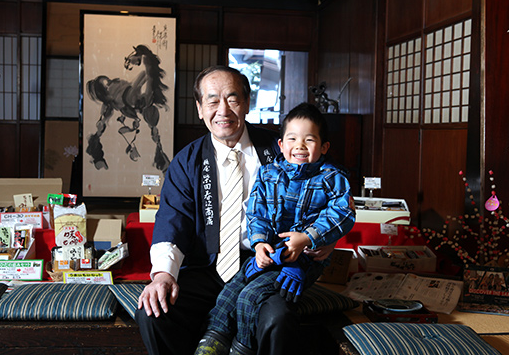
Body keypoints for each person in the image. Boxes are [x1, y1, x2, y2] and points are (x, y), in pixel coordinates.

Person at [135, 66, 336, 355]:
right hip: (206, 266)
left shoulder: (281, 148)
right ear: (199, 108)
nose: (223, 110)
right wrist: (163, 275)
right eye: (212, 100)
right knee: (154, 312)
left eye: (232, 99)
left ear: (247, 103)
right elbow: (172, 220)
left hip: (269, 265)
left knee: (277, 318)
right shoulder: (186, 161)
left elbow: (327, 187)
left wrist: (324, 238)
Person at [195, 102, 356, 355]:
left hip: (305, 258)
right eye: (292, 138)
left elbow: (342, 214)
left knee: (250, 296)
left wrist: (307, 237)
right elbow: (256, 212)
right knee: (230, 293)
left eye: (309, 140)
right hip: (268, 252)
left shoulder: (332, 177)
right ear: (281, 145)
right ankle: (212, 341)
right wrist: (258, 243)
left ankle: (242, 348)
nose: (300, 146)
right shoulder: (268, 173)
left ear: (324, 147)